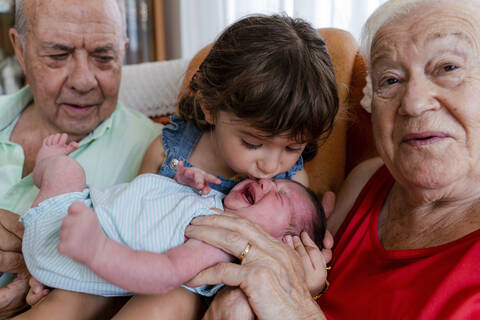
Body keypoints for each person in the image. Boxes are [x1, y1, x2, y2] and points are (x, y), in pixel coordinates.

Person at [180, 0, 480, 319]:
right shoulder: (364, 183)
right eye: (390, 80)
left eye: (448, 67)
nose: (414, 102)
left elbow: (285, 297)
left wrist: (297, 311)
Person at [14, 133, 328, 319]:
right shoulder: (215, 197)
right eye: (274, 184)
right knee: (65, 169)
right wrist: (183, 180)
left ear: (279, 243)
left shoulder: (215, 246)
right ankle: (46, 164)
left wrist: (96, 250)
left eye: (282, 196)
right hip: (69, 214)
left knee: (66, 172)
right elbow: (155, 202)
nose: (268, 182)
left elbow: (163, 273)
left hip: (81, 251)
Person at [0, 0, 161, 317]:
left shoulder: (156, 153)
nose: (83, 80)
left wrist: (44, 272)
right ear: (20, 49)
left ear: (123, 52)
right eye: (58, 56)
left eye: (104, 57)